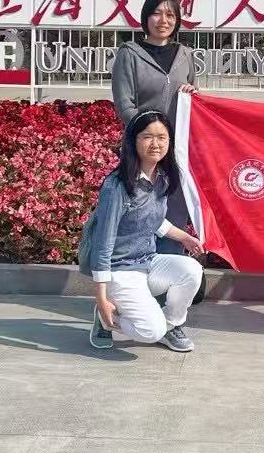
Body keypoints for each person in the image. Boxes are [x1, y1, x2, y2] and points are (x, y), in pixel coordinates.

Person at [80, 110, 205, 352]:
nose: (156, 144)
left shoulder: (162, 178)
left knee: (191, 270)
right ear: (133, 141)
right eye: (147, 137)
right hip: (119, 269)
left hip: (147, 262)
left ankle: (170, 325)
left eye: (162, 137)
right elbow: (103, 244)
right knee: (149, 332)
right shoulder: (117, 186)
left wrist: (185, 238)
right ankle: (107, 317)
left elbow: (151, 220)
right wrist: (101, 299)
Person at [111, 0, 198, 255]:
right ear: (146, 18)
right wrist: (150, 137)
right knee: (139, 207)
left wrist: (193, 94)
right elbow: (125, 105)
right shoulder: (130, 53)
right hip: (143, 148)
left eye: (170, 15)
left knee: (174, 209)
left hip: (177, 149)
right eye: (157, 13)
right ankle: (134, 266)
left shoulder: (185, 55)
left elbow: (194, 100)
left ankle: (170, 266)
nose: (163, 20)